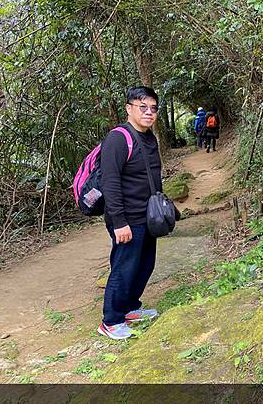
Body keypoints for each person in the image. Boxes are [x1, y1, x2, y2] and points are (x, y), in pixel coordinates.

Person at [98, 86, 162, 339]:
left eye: (153, 108)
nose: (149, 112)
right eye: (142, 107)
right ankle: (111, 321)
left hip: (147, 216)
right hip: (127, 219)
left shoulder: (149, 137)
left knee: (144, 266)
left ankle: (130, 308)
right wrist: (119, 222)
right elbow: (110, 183)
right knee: (124, 268)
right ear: (129, 109)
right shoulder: (117, 138)